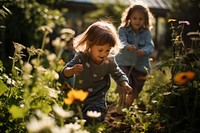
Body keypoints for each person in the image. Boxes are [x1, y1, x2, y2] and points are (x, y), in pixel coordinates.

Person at [61, 20, 133, 124]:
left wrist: (124, 83)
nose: (104, 54)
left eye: (107, 50)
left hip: (97, 100)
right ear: (90, 44)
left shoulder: (109, 60)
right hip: (79, 97)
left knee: (91, 118)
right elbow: (64, 72)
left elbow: (118, 73)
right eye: (100, 50)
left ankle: (95, 121)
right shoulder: (82, 57)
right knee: (72, 119)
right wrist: (72, 70)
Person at [116, 4, 155, 109]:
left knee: (135, 89)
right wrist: (127, 46)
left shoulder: (147, 32)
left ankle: (127, 106)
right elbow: (121, 41)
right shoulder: (122, 29)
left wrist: (144, 51)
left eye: (141, 19)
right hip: (123, 63)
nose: (137, 21)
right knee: (123, 82)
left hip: (140, 66)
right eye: (134, 18)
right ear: (129, 18)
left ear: (145, 20)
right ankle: (121, 104)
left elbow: (150, 46)